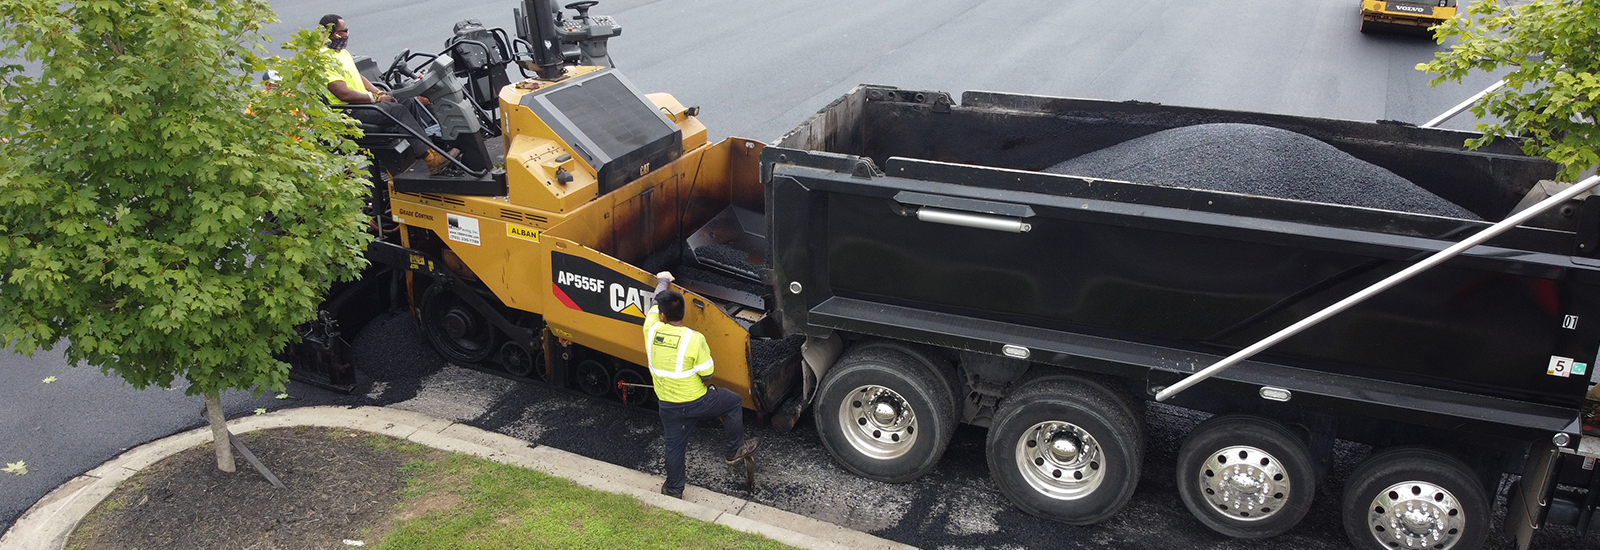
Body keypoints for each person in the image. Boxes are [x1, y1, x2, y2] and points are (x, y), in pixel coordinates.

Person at [645, 271, 759, 498]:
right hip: (697, 401)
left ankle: (674, 490)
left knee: (674, 447)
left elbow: (655, 300)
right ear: (683, 314)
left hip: (668, 405)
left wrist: (663, 280)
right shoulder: (693, 339)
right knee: (733, 401)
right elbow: (707, 375)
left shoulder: (651, 328)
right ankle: (733, 451)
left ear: (663, 316)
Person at [318, 14, 456, 175]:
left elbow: (358, 77)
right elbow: (343, 94)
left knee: (407, 101)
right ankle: (431, 160)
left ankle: (422, 150)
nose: (347, 33)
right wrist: (375, 98)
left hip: (362, 103)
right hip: (348, 112)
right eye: (345, 30)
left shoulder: (342, 53)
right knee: (397, 110)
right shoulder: (324, 59)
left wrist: (378, 92)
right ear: (335, 34)